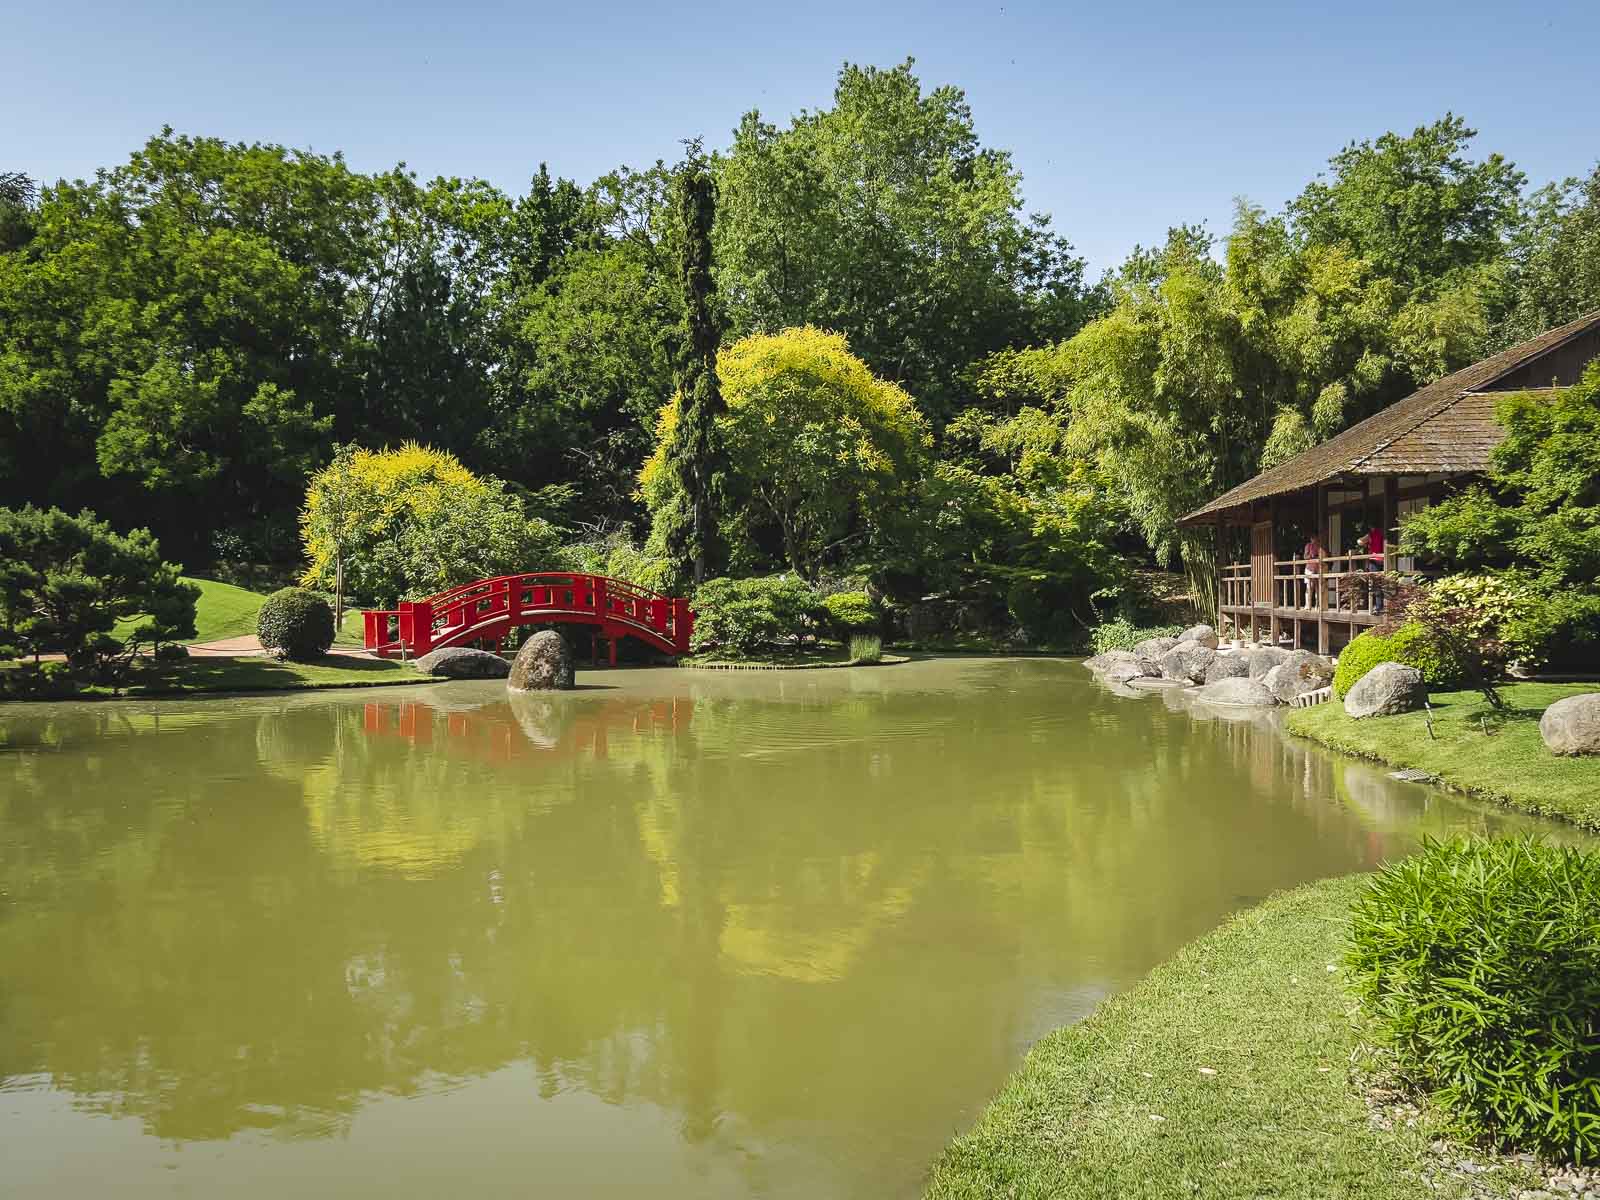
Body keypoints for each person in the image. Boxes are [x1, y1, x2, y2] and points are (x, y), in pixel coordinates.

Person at [1301, 532, 1323, 608]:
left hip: (1318, 568)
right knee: (1309, 587)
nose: (1315, 540)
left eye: (1316, 538)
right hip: (1310, 568)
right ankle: (1307, 605)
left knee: (1318, 587)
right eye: (1313, 538)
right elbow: (1305, 556)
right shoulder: (1308, 545)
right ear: (1311, 539)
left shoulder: (1320, 546)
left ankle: (1318, 605)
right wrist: (1311, 556)